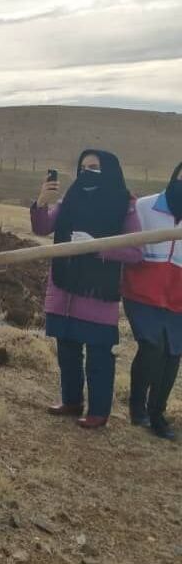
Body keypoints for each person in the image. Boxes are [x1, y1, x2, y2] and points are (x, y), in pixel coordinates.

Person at [31, 150, 141, 428]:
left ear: (111, 171)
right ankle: (71, 401)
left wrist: (96, 245)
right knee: (67, 348)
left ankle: (99, 411)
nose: (86, 172)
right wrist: (41, 203)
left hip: (97, 294)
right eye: (82, 167)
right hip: (64, 287)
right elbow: (42, 227)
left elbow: (135, 251)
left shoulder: (124, 204)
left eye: (94, 167)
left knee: (99, 354)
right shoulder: (71, 198)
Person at [122, 161, 182, 440]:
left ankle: (157, 414)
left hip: (178, 301)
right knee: (152, 345)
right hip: (141, 293)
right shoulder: (145, 207)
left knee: (172, 354)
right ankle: (137, 407)